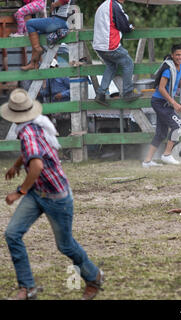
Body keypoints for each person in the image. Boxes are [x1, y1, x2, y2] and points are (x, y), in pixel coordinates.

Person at [1, 89, 104, 300]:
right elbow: (31, 153)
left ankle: (94, 276)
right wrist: (17, 165)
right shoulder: (35, 125)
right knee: (12, 234)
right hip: (40, 192)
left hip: (54, 196)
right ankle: (27, 288)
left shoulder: (28, 132)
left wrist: (19, 192)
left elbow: (37, 165)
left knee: (65, 245)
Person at [142, 44, 181, 168]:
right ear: (172, 55)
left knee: (161, 133)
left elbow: (176, 82)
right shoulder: (168, 69)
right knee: (178, 126)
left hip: (165, 103)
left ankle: (147, 161)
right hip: (160, 102)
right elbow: (161, 88)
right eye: (177, 55)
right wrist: (174, 102)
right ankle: (166, 155)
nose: (180, 57)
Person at [92, 0, 142, 106]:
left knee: (111, 66)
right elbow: (123, 25)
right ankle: (128, 92)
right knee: (128, 63)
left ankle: (100, 94)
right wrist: (130, 27)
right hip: (109, 44)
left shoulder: (104, 5)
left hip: (99, 45)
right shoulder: (114, 5)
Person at [20, 0, 71, 71]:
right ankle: (33, 63)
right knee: (35, 35)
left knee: (29, 23)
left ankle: (38, 49)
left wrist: (54, 4)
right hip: (58, 21)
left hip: (58, 21)